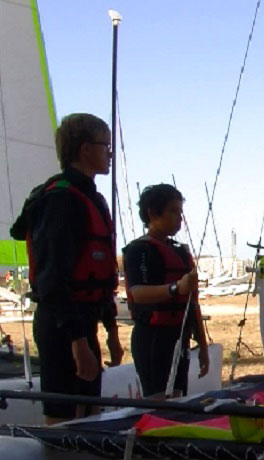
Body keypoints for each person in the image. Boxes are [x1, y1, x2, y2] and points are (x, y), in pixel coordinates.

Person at [9, 113, 123, 424]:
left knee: (90, 412)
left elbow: (101, 278)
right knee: (63, 418)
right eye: (106, 147)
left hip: (85, 321)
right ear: (86, 149)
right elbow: (52, 279)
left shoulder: (90, 197)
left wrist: (111, 331)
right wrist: (77, 341)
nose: (110, 154)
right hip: (61, 325)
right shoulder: (61, 200)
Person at [123, 184, 209, 399]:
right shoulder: (139, 250)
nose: (180, 218)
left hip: (179, 337)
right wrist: (175, 288)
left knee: (179, 397)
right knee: (159, 399)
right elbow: (137, 293)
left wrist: (203, 344)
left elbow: (192, 301)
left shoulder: (179, 251)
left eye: (180, 212)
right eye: (173, 211)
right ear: (152, 213)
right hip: (153, 338)